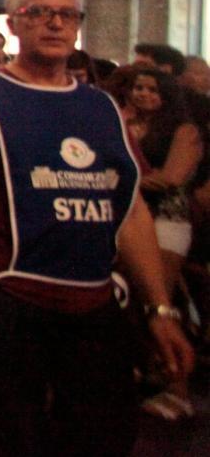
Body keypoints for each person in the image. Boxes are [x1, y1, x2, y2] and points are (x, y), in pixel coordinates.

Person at [0, 0, 195, 456]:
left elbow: (131, 210)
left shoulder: (102, 108)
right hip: (13, 297)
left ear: (77, 26)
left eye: (67, 14)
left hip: (94, 301)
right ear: (13, 25)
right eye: (38, 12)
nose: (55, 23)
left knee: (105, 434)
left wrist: (160, 307)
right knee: (17, 438)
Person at [103, 64, 203, 420]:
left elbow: (172, 178)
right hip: (127, 217)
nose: (144, 94)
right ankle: (145, 371)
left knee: (159, 301)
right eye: (139, 88)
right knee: (128, 301)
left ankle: (179, 390)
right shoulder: (126, 124)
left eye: (153, 89)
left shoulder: (184, 130)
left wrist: (115, 178)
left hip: (166, 221)